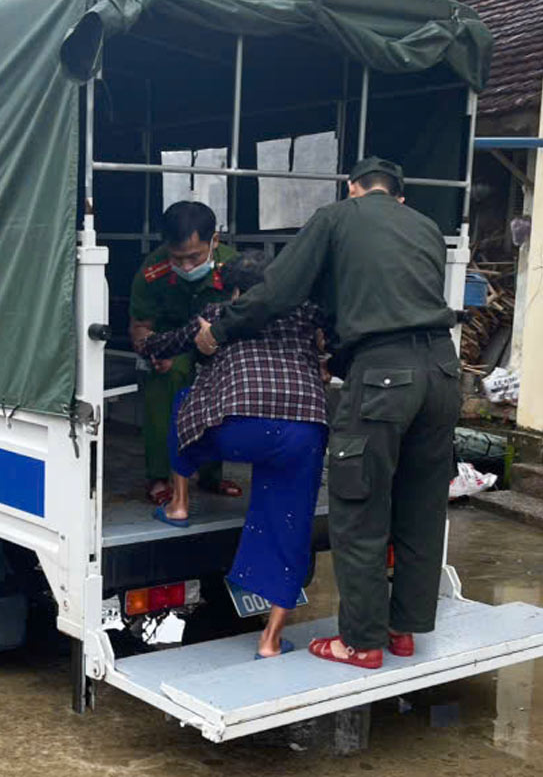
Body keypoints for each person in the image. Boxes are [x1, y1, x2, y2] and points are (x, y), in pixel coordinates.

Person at [195, 158, 461, 670]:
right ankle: (402, 630)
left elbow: (278, 290)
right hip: (443, 373)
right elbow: (385, 294)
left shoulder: (338, 216)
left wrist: (220, 330)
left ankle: (361, 642)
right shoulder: (426, 227)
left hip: (385, 376)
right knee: (421, 506)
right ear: (399, 197)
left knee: (359, 506)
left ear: (352, 188)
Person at [136, 252, 328, 659]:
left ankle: (179, 505)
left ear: (230, 286)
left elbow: (168, 343)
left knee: (185, 404)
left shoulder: (216, 311)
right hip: (304, 427)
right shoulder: (306, 312)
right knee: (289, 526)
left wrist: (143, 343)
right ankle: (270, 641)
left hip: (240, 427)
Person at [129, 201, 238, 506]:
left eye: (195, 257)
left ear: (214, 240)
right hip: (170, 346)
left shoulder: (233, 267)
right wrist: (152, 350)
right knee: (168, 378)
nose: (187, 266)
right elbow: (140, 327)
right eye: (178, 259)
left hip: (218, 343)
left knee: (220, 391)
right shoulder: (152, 272)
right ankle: (159, 477)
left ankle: (210, 475)